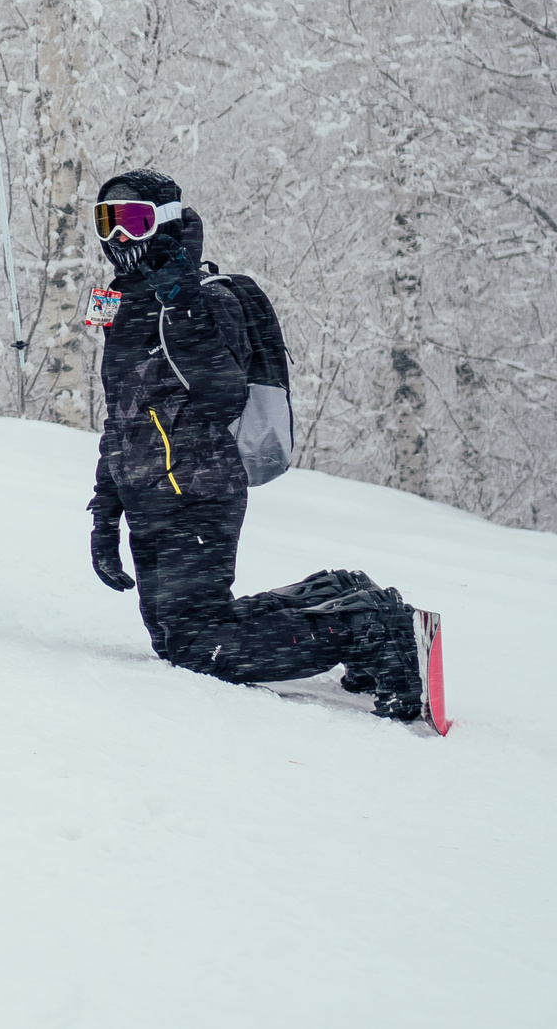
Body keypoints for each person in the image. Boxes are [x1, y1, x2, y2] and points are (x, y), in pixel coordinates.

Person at [87, 170, 439, 725]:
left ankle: (365, 629)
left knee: (197, 647)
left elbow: (220, 392)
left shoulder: (203, 301)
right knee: (183, 633)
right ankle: (338, 594)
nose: (118, 238)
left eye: (134, 220)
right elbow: (122, 413)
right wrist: (105, 511)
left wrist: (179, 303)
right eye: (107, 220)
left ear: (167, 224)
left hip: (196, 493)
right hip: (148, 495)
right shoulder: (119, 303)